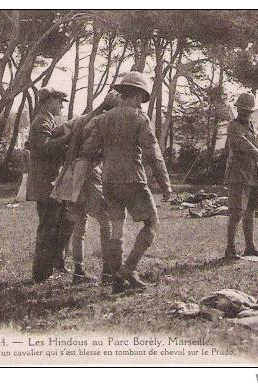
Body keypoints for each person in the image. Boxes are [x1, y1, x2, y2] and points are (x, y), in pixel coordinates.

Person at [80, 72, 172, 292]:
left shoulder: (102, 119)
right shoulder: (140, 118)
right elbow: (153, 153)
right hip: (133, 180)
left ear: (121, 93)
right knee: (152, 224)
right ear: (139, 96)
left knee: (117, 229)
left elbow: (89, 149)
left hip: (109, 181)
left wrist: (108, 156)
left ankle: (117, 280)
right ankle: (128, 269)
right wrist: (165, 184)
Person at [52, 91, 121, 285]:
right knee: (105, 219)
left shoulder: (81, 119)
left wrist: (69, 147)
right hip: (89, 171)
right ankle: (107, 271)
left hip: (71, 171)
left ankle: (79, 271)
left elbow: (57, 132)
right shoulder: (106, 121)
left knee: (79, 224)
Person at [27, 87, 73, 283]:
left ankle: (55, 265)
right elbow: (44, 148)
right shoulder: (42, 120)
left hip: (51, 182)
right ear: (47, 101)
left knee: (59, 224)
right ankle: (41, 273)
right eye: (59, 101)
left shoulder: (47, 119)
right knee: (48, 228)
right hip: (46, 183)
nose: (62, 105)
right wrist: (69, 137)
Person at [224, 93, 258, 259]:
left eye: (248, 111)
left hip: (252, 174)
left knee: (250, 212)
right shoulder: (233, 126)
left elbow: (257, 149)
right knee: (237, 212)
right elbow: (246, 146)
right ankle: (230, 249)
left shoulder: (253, 126)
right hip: (237, 174)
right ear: (237, 109)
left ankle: (250, 247)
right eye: (242, 110)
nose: (244, 113)